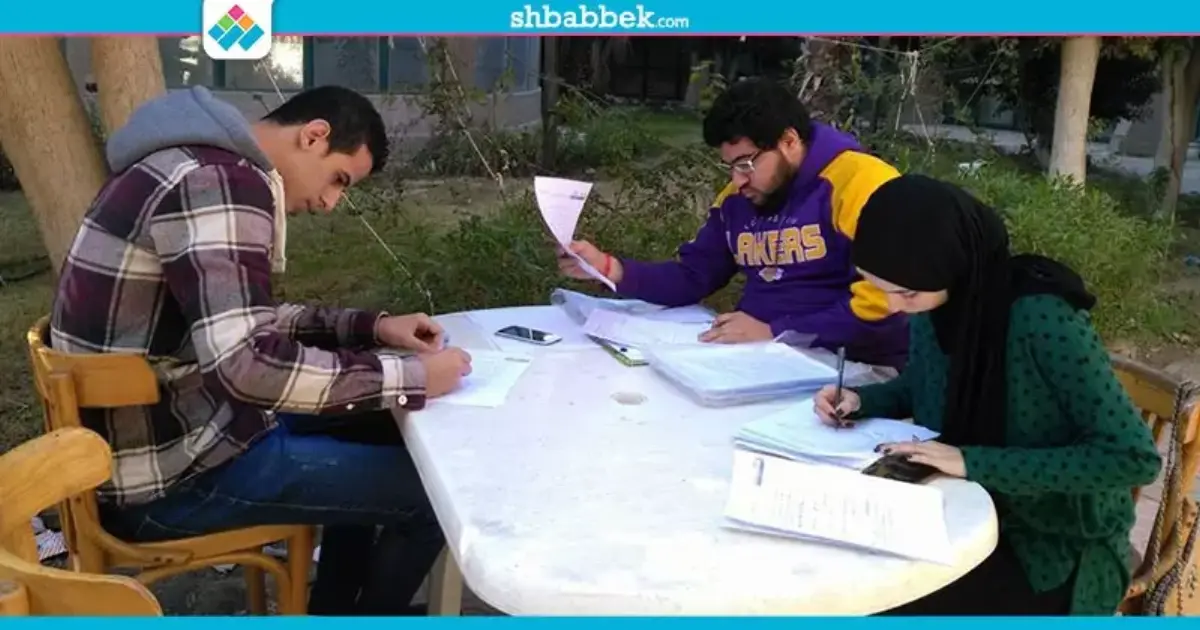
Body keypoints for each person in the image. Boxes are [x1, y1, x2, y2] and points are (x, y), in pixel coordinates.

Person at [50, 85, 473, 615]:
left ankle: (336, 610)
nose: (329, 203)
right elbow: (247, 365)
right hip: (170, 480)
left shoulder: (184, 163)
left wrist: (376, 327)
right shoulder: (220, 183)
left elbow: (246, 322)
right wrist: (411, 377)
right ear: (313, 136)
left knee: (375, 428)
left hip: (164, 439)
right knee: (439, 497)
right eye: (339, 179)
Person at [812, 174, 1161, 615]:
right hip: (965, 512)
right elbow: (925, 383)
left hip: (1053, 549)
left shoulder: (1042, 317)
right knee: (838, 575)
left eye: (905, 293)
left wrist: (971, 461)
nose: (893, 306)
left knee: (878, 605)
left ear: (953, 265)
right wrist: (863, 401)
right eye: (878, 288)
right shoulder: (941, 304)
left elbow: (1132, 457)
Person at [558, 78, 909, 369]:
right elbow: (693, 276)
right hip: (758, 358)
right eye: (731, 166)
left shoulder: (862, 184)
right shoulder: (737, 200)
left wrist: (777, 330)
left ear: (789, 141)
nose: (738, 180)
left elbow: (886, 302)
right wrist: (609, 268)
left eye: (746, 164)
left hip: (853, 367)